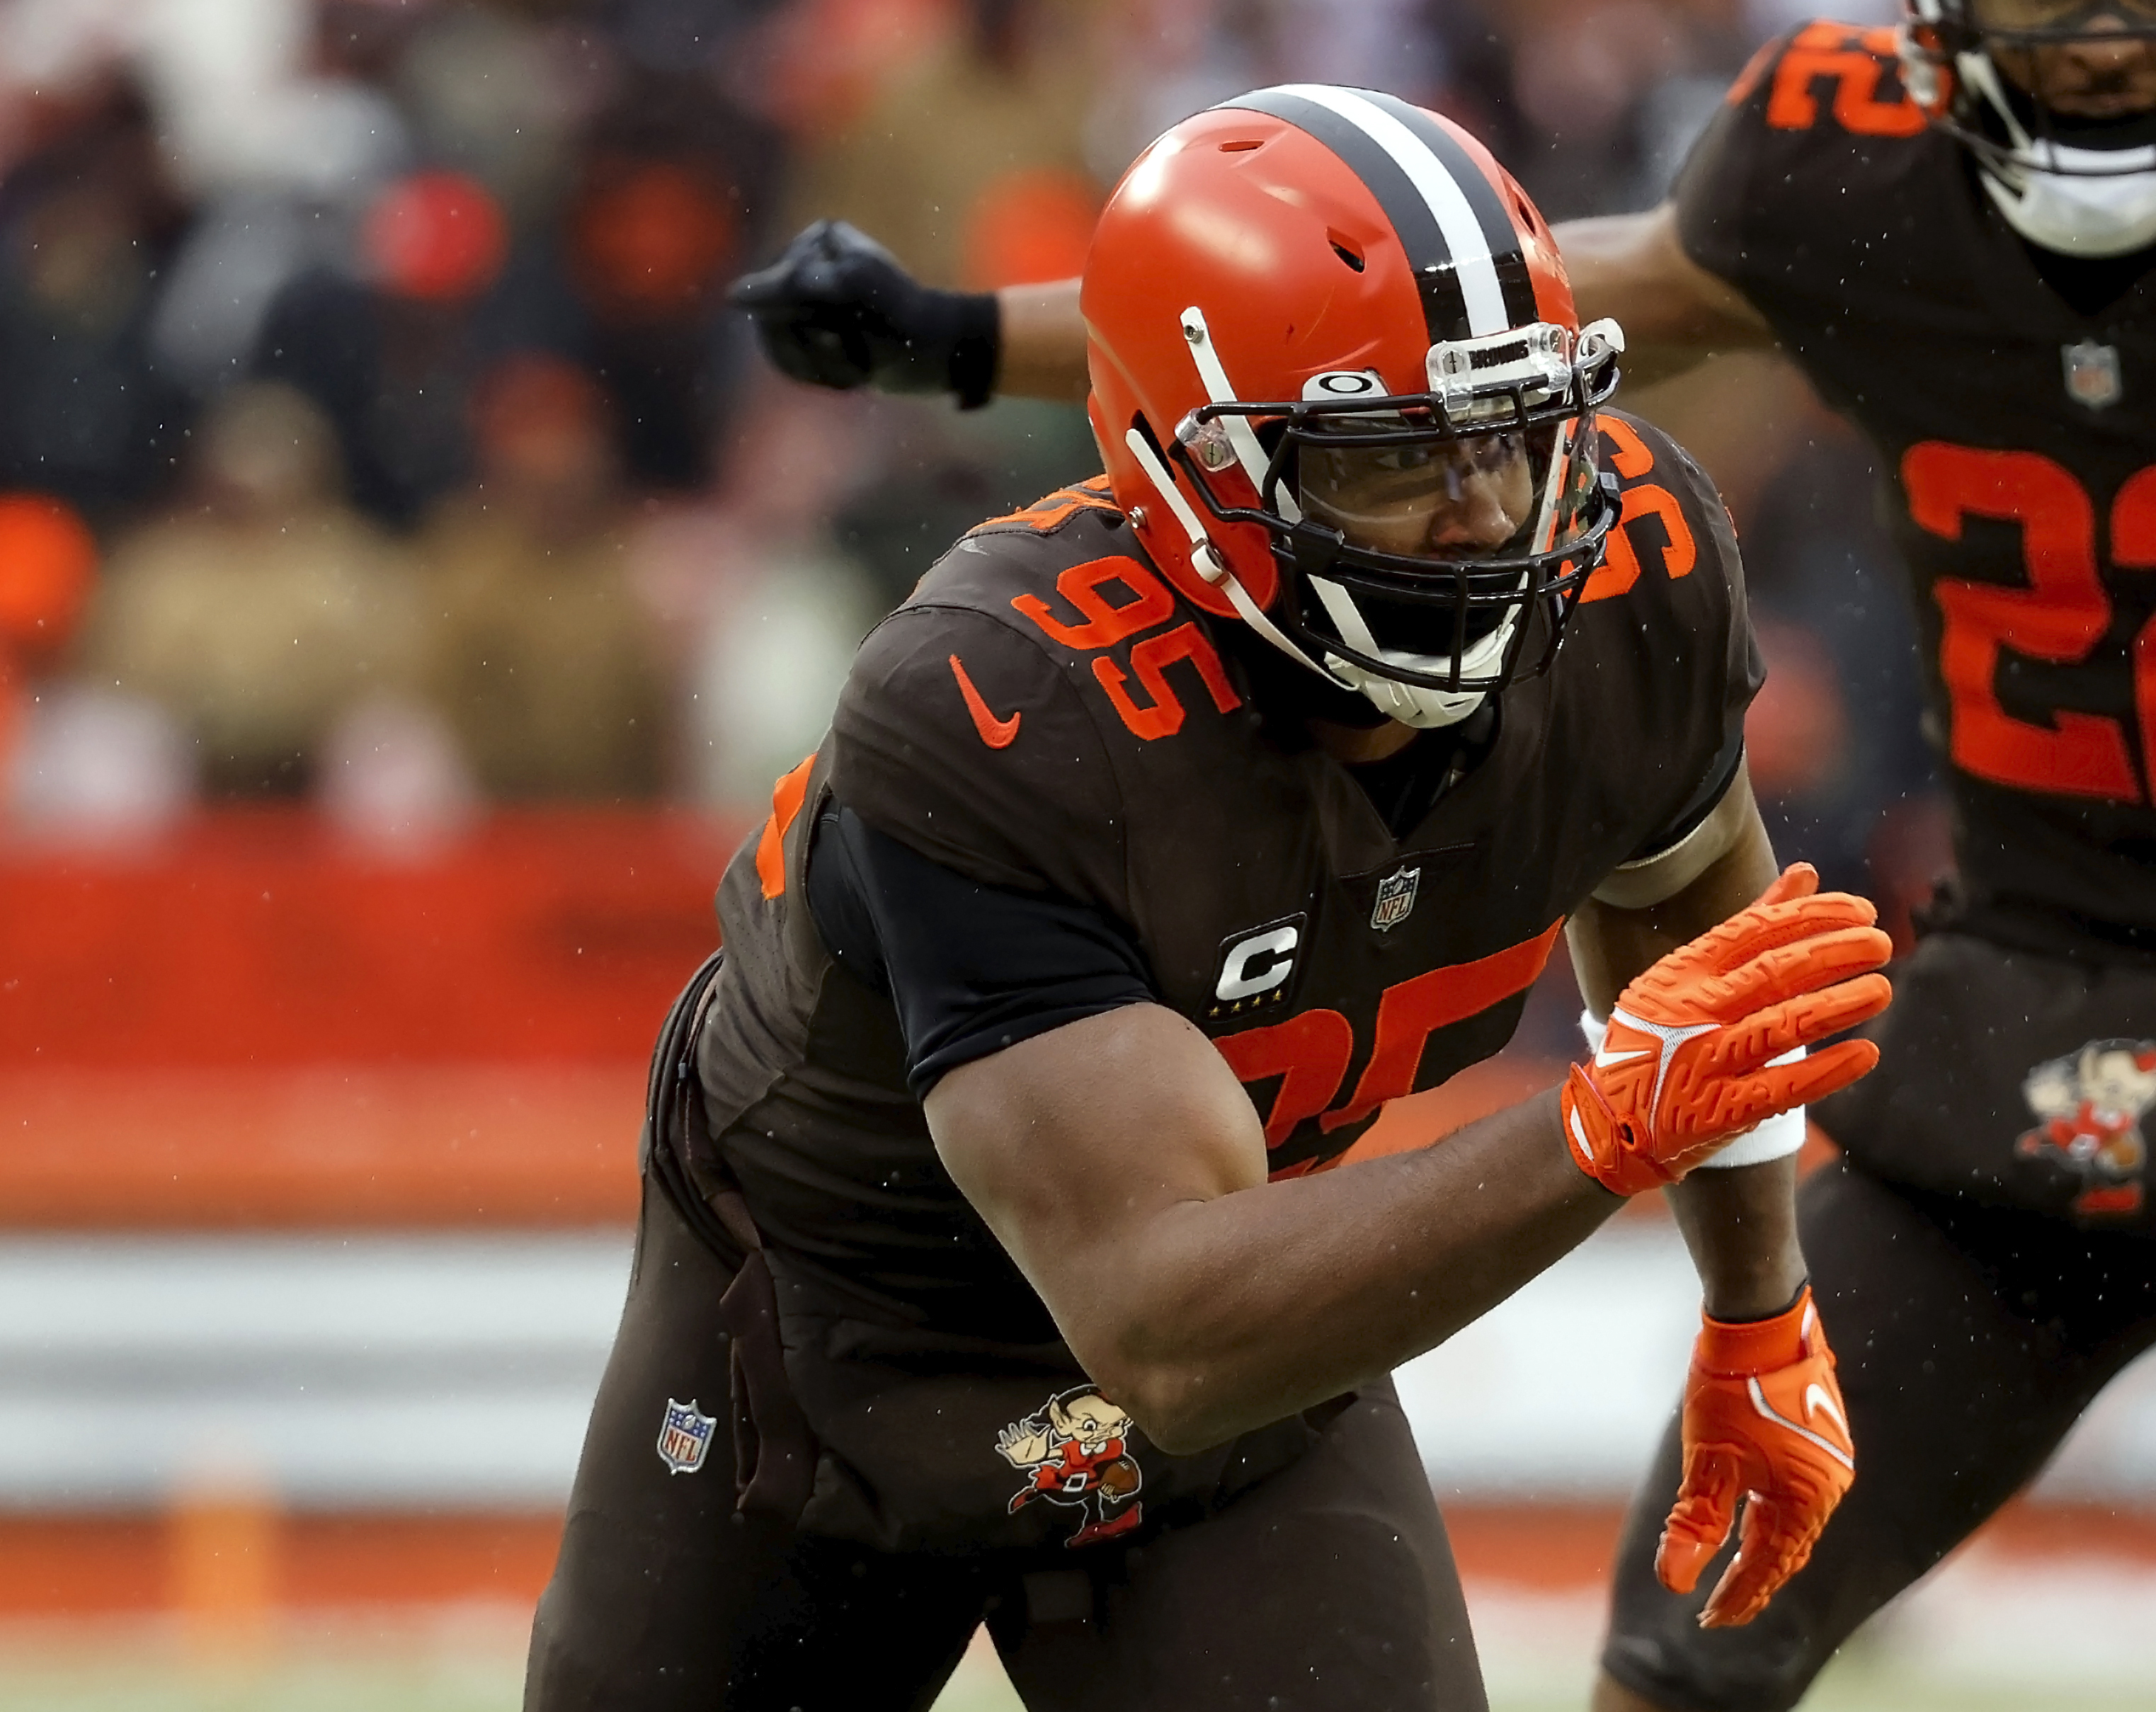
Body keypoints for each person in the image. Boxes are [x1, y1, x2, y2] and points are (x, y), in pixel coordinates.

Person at [729, 6, 2156, 1711]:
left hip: (1247, 1313)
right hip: (2019, 997)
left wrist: (1713, 1243)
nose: (2091, 36)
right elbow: (1358, 350)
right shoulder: (1004, 703)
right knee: (1693, 1628)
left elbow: (1417, 379)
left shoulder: (1625, 574)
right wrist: (960, 339)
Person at [532, 89, 1894, 1711]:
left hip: (1253, 1364)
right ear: (1186, 473)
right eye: (1391, 464)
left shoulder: (1629, 573)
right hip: (834, 1354)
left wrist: (1756, 1314)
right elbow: (1168, 1324)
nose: (1480, 516)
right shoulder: (999, 707)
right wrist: (1593, 1128)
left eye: (1510, 434)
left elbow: (1706, 962)